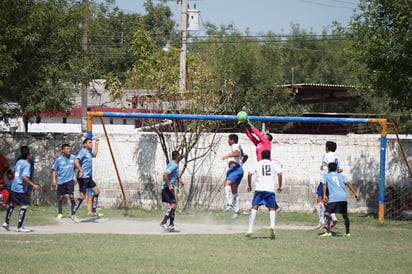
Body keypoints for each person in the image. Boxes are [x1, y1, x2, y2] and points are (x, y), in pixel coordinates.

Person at [238, 119, 281, 214]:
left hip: (266, 165)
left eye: (265, 134)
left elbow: (257, 133)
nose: (263, 134)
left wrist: (249, 124)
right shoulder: (259, 144)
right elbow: (251, 136)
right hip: (260, 166)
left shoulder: (266, 142)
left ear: (268, 138)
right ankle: (275, 207)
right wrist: (244, 127)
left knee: (262, 187)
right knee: (262, 187)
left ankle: (254, 208)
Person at [2, 146, 41, 232]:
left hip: (14, 186)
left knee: (12, 204)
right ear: (28, 155)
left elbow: (14, 171)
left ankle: (6, 222)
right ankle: (19, 227)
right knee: (24, 205)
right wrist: (34, 185)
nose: (31, 155)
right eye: (30, 153)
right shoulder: (27, 164)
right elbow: (24, 177)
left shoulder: (19, 161)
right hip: (20, 188)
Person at [245, 150, 282, 239]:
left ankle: (250, 229)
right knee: (272, 208)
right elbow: (280, 173)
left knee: (254, 207)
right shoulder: (273, 164)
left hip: (259, 188)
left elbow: (249, 174)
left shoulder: (257, 163)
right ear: (269, 156)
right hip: (269, 189)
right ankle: (272, 226)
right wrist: (280, 185)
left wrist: (249, 185)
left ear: (261, 156)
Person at [320, 162, 359, 237]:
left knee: (327, 213)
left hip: (334, 197)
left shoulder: (326, 176)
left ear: (329, 169)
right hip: (343, 198)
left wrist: (324, 195)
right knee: (345, 215)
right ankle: (348, 233)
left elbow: (324, 185)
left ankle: (328, 232)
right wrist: (355, 193)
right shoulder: (341, 176)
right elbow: (348, 184)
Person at [71, 138, 102, 221]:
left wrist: (96, 144)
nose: (91, 144)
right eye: (89, 143)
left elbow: (94, 155)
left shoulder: (88, 152)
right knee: (82, 196)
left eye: (91, 143)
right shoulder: (82, 152)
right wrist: (80, 170)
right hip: (82, 178)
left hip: (88, 177)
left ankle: (94, 211)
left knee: (96, 191)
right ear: (85, 144)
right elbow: (76, 161)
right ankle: (73, 214)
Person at [315, 141, 343, 229]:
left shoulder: (328, 155)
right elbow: (340, 169)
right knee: (327, 200)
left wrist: (327, 172)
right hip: (333, 180)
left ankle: (321, 220)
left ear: (327, 148)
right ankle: (333, 217)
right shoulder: (337, 156)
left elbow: (331, 166)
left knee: (320, 198)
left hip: (325, 180)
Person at [221, 134, 248, 220]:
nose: (228, 141)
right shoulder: (238, 146)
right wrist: (241, 164)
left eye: (228, 139)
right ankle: (236, 211)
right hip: (238, 169)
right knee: (234, 191)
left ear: (232, 140)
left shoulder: (235, 146)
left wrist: (228, 156)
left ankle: (229, 203)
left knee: (226, 184)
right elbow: (246, 156)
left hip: (235, 169)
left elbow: (238, 153)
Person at [160, 150, 185, 232]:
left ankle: (171, 225)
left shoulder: (172, 164)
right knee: (173, 205)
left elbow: (172, 174)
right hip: (167, 188)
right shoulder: (174, 165)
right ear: (177, 157)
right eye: (180, 156)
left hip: (168, 187)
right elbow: (165, 174)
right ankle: (164, 222)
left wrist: (179, 179)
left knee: (173, 205)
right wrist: (169, 185)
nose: (181, 157)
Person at [51, 144, 78, 219]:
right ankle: (60, 213)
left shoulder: (73, 158)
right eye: (67, 149)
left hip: (70, 180)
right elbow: (54, 170)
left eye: (69, 149)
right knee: (61, 197)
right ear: (63, 150)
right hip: (61, 181)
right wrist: (54, 180)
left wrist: (75, 177)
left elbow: (77, 168)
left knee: (72, 196)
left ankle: (73, 214)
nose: (69, 150)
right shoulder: (59, 159)